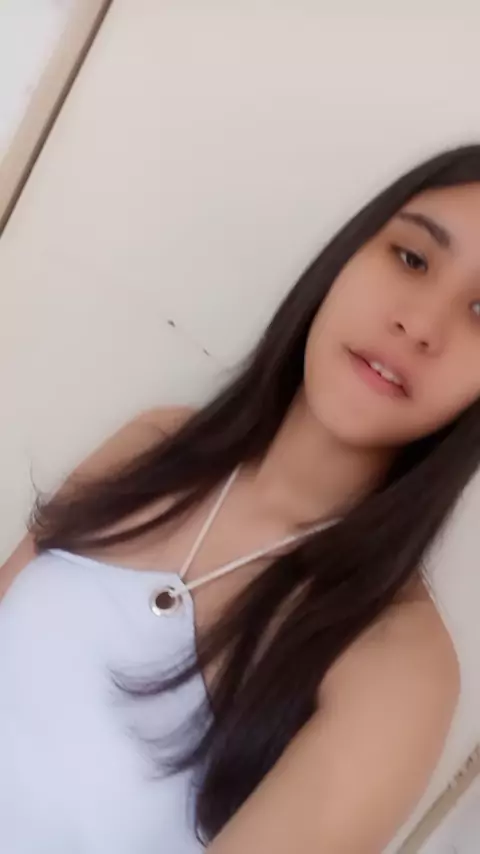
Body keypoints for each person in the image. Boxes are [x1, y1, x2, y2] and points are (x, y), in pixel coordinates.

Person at [2, 144, 480, 854]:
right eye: (411, 259)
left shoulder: (399, 662)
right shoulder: (155, 443)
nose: (420, 324)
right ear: (347, 258)